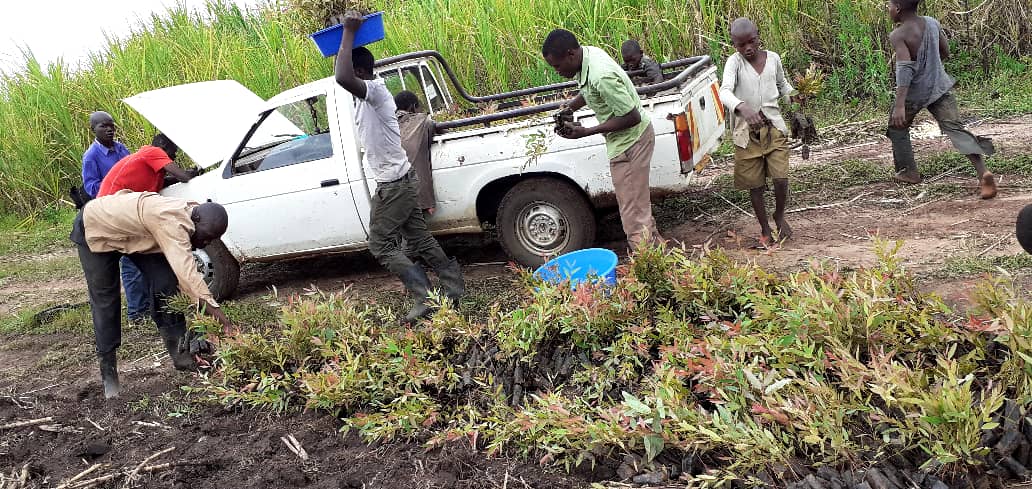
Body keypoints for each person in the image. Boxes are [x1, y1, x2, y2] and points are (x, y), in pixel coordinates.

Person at [331, 11, 464, 323]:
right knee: (419, 239)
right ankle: (453, 289)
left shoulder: (374, 91)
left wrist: (348, 34)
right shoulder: (365, 97)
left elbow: (341, 76)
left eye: (350, 67)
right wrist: (344, 37)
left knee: (379, 244)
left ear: (361, 71)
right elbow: (343, 74)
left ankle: (425, 297)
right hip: (400, 182)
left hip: (395, 186)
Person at [70, 191, 234, 399]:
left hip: (138, 233)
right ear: (196, 219)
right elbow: (189, 277)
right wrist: (225, 323)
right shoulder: (171, 222)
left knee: (165, 283)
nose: (204, 244)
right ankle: (109, 376)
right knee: (105, 301)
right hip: (96, 226)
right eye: (206, 236)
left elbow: (182, 278)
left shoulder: (190, 212)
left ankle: (181, 355)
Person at [542, 28, 662, 249]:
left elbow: (632, 116)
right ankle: (661, 259)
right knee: (638, 207)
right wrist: (570, 107)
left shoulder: (601, 74)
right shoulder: (588, 56)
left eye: (557, 66)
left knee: (633, 216)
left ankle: (649, 270)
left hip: (631, 143)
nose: (556, 71)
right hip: (624, 143)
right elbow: (590, 91)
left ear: (570, 54)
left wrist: (587, 131)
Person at [886, 0, 996, 199]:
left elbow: (904, 70)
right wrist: (931, 68)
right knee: (956, 129)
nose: (888, 9)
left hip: (914, 92)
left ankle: (908, 172)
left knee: (897, 126)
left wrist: (900, 104)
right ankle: (983, 174)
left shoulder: (898, 35)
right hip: (939, 86)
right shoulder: (932, 23)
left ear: (898, 9)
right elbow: (945, 51)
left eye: (889, 6)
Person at [718, 18, 795, 247]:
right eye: (741, 45)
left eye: (751, 42)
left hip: (774, 129)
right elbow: (724, 91)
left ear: (758, 37)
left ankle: (779, 215)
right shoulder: (734, 63)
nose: (748, 48)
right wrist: (742, 107)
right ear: (734, 45)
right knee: (756, 185)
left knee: (781, 179)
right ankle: (764, 228)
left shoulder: (773, 59)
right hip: (746, 134)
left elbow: (783, 87)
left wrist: (796, 95)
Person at [81, 112, 150, 323]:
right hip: (111, 210)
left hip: (129, 205)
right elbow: (90, 186)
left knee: (140, 255)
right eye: (104, 126)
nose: (110, 129)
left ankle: (143, 306)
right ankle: (137, 312)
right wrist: (115, 187)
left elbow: (133, 169)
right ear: (93, 130)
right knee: (130, 260)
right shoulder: (91, 156)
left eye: (111, 126)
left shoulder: (121, 148)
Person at [97, 133, 197, 197]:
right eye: (174, 151)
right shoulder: (154, 151)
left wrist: (181, 176)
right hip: (111, 200)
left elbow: (164, 183)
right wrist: (191, 173)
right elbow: (184, 177)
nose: (174, 156)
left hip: (107, 201)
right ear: (164, 146)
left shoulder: (148, 159)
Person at [395, 90, 444, 217]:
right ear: (412, 107)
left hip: (394, 197)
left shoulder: (387, 125)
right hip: (419, 197)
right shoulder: (422, 122)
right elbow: (440, 130)